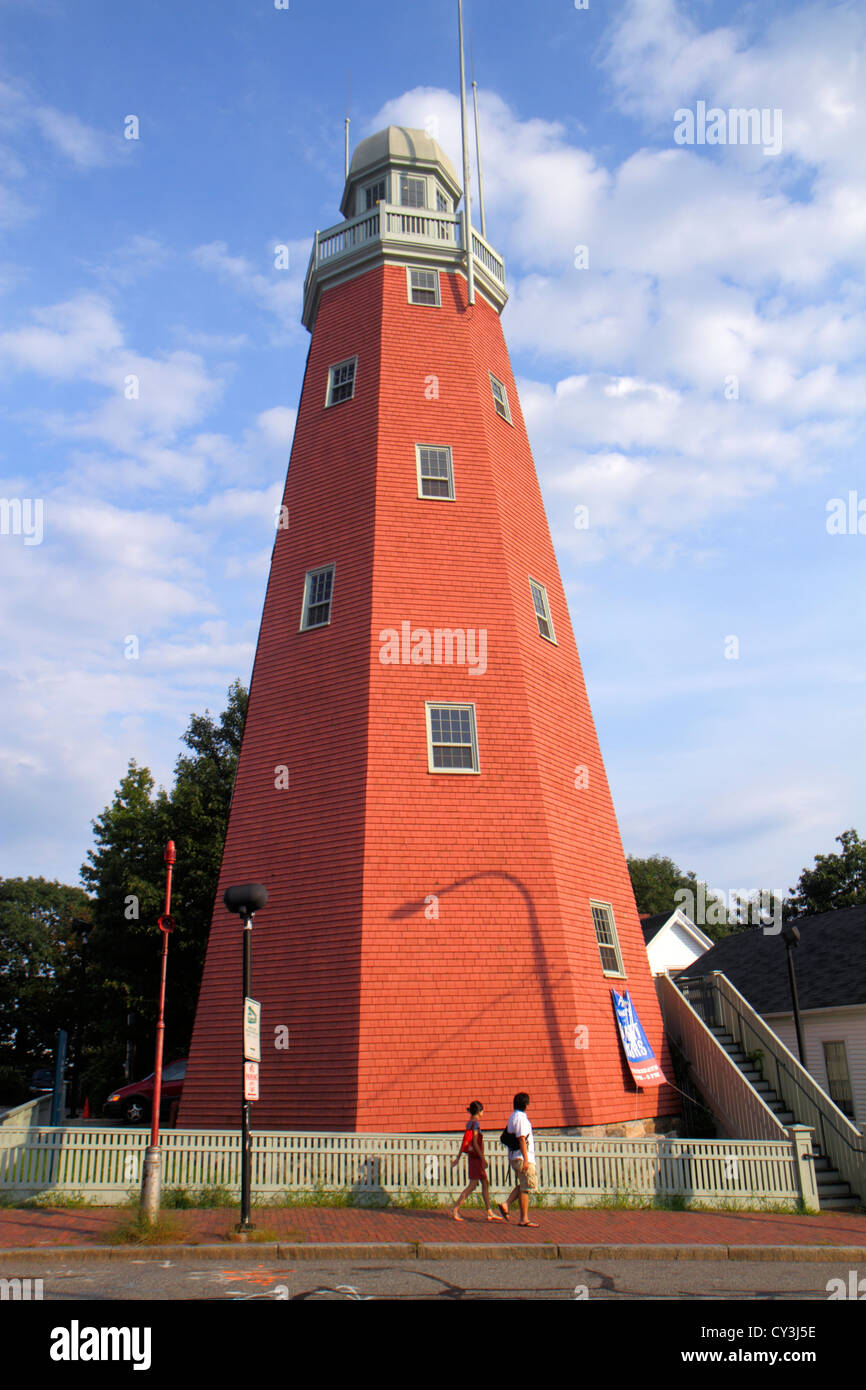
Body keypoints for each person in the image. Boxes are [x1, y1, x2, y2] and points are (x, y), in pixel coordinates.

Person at [450, 1101, 503, 1221]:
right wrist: (483, 1158)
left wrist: (458, 1158)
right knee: (472, 1185)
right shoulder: (476, 1124)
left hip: (472, 1157)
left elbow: (465, 1141)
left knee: (485, 1182)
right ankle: (455, 1208)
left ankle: (489, 1211)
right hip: (476, 1159)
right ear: (479, 1111)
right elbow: (474, 1142)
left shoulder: (469, 1123)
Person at [498, 1092, 539, 1227]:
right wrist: (526, 1159)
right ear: (526, 1104)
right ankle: (523, 1218)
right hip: (521, 1156)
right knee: (526, 1187)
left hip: (514, 1156)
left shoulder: (512, 1117)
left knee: (523, 1185)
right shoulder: (521, 1118)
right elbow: (522, 1138)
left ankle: (507, 1205)